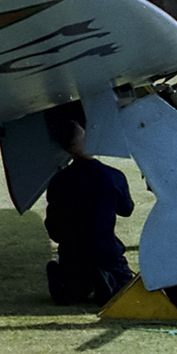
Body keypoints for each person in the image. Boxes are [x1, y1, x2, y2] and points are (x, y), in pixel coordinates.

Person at [43, 121, 134, 304]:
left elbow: (53, 227)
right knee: (126, 282)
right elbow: (126, 210)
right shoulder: (113, 176)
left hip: (72, 251)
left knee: (74, 282)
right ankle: (108, 281)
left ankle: (71, 288)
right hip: (105, 249)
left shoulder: (59, 180)